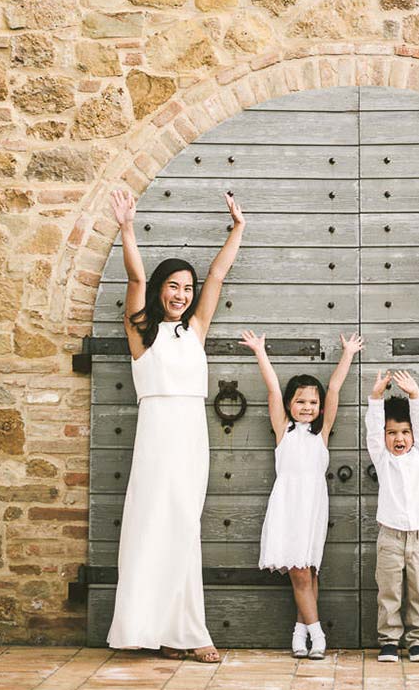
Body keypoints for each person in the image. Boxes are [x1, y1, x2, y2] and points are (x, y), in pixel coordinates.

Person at [106, 187, 246, 663]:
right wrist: (126, 228)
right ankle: (149, 629)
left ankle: (181, 632)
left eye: (187, 288)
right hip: (156, 437)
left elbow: (219, 275)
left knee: (185, 530)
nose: (182, 295)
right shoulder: (140, 332)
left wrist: (238, 229)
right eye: (174, 287)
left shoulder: (197, 330)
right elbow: (135, 276)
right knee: (152, 528)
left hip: (191, 436)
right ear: (161, 290)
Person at [239, 329, 363, 660]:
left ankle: (299, 632)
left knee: (307, 569)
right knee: (299, 571)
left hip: (313, 504)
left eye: (312, 402)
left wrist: (348, 353)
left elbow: (334, 388)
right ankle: (317, 635)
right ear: (290, 404)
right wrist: (259, 352)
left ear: (320, 407)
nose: (306, 407)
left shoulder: (321, 436)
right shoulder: (284, 430)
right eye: (300, 401)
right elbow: (271, 388)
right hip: (288, 503)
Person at [365, 370, 419, 665]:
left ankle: (418, 641)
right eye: (392, 433)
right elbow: (372, 429)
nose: (399, 438)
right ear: (384, 437)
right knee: (389, 592)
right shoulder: (381, 458)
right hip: (390, 536)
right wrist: (376, 397)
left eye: (405, 432)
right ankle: (389, 641)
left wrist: (415, 396)